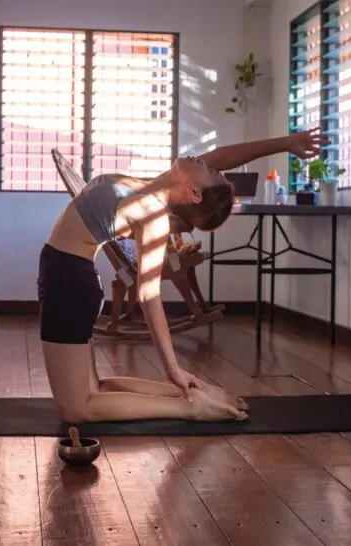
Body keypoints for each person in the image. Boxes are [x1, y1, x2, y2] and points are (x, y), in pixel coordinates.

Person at [38, 128, 330, 423]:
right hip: (66, 276)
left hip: (69, 283)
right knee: (93, 390)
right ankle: (189, 394)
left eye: (209, 171)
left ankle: (190, 408)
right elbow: (222, 156)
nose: (207, 162)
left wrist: (172, 367)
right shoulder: (150, 188)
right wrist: (285, 143)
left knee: (77, 409)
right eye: (209, 166)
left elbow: (148, 295)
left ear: (193, 192)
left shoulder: (152, 213)